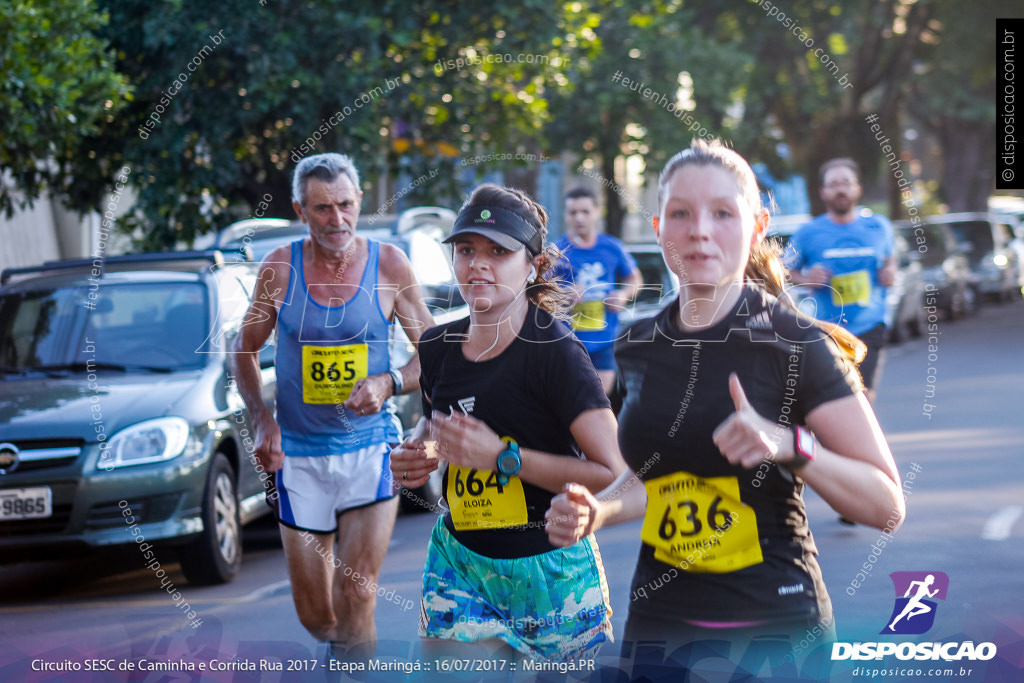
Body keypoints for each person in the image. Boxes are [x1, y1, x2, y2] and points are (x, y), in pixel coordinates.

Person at [545, 140, 906, 676]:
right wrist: (598, 510)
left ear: (758, 225)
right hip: (659, 624)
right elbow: (649, 481)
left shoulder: (795, 344)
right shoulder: (637, 346)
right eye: (682, 214)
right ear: (659, 226)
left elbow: (886, 506)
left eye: (722, 213)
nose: (700, 231)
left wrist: (790, 446)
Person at [389, 184, 628, 662]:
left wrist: (503, 458)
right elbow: (441, 429)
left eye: (498, 251)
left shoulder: (557, 354)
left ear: (533, 265)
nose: (478, 265)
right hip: (460, 563)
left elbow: (614, 475)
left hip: (550, 568)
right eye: (466, 250)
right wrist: (419, 455)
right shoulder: (436, 347)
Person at [232, 153, 434, 659]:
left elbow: (434, 356)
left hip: (371, 449)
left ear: (360, 202)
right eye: (323, 209)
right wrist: (261, 420)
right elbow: (243, 349)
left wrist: (388, 382)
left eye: (345, 205)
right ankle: (340, 654)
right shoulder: (279, 269)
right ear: (301, 211)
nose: (337, 220)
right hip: (299, 455)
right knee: (317, 614)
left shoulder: (389, 263)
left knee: (359, 591)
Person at [786, 158, 896, 404]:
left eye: (846, 183)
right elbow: (782, 270)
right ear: (823, 192)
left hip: (871, 324)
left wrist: (889, 271)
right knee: (836, 397)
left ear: (858, 189)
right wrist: (805, 278)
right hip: (827, 329)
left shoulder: (879, 227)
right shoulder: (807, 233)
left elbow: (891, 258)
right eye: (833, 184)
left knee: (863, 396)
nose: (841, 189)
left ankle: (860, 441)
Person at [553, 187, 642, 394]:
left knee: (599, 400)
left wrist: (623, 294)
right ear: (566, 216)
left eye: (585, 211)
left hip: (604, 342)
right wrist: (563, 294)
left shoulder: (612, 247)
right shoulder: (556, 251)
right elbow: (538, 294)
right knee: (570, 405)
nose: (579, 218)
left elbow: (634, 279)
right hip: (566, 343)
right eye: (573, 212)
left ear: (596, 212)